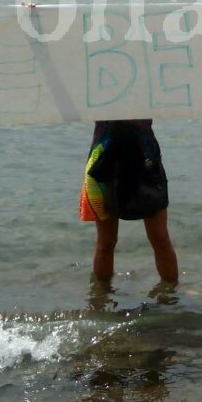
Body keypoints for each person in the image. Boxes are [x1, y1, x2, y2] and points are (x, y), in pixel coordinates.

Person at [80, 119, 177, 286]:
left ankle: (172, 297)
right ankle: (102, 298)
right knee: (106, 241)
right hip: (105, 156)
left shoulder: (144, 95)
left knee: (159, 236)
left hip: (145, 156)